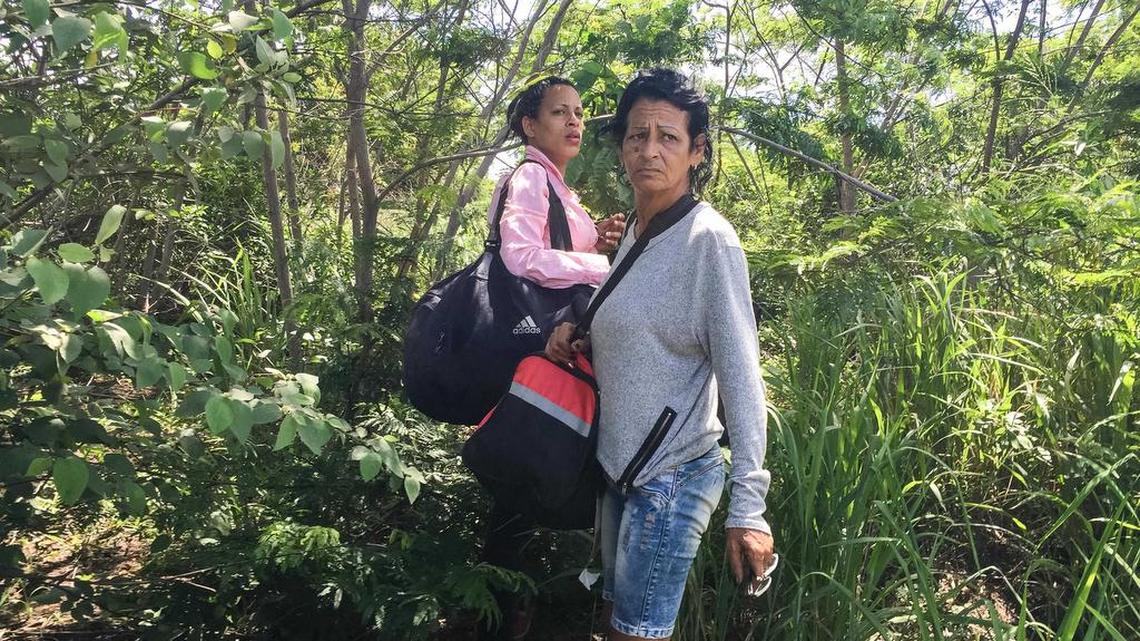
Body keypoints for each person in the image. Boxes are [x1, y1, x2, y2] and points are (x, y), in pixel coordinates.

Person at [546, 68, 775, 640]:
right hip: (617, 468)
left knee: (635, 634)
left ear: (697, 151)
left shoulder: (708, 242)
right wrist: (575, 331)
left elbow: (742, 377)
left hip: (671, 476)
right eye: (637, 135)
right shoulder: (634, 231)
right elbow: (634, 323)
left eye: (668, 137)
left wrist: (749, 508)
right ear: (622, 145)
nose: (649, 150)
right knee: (614, 623)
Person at [479, 76, 626, 641]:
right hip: (535, 350)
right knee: (526, 469)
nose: (575, 122)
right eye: (560, 112)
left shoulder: (556, 186)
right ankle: (499, 613)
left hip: (546, 350)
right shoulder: (531, 176)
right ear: (529, 125)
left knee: (529, 467)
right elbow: (520, 257)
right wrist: (604, 267)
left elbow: (553, 254)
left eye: (580, 112)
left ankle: (506, 604)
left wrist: (593, 242)